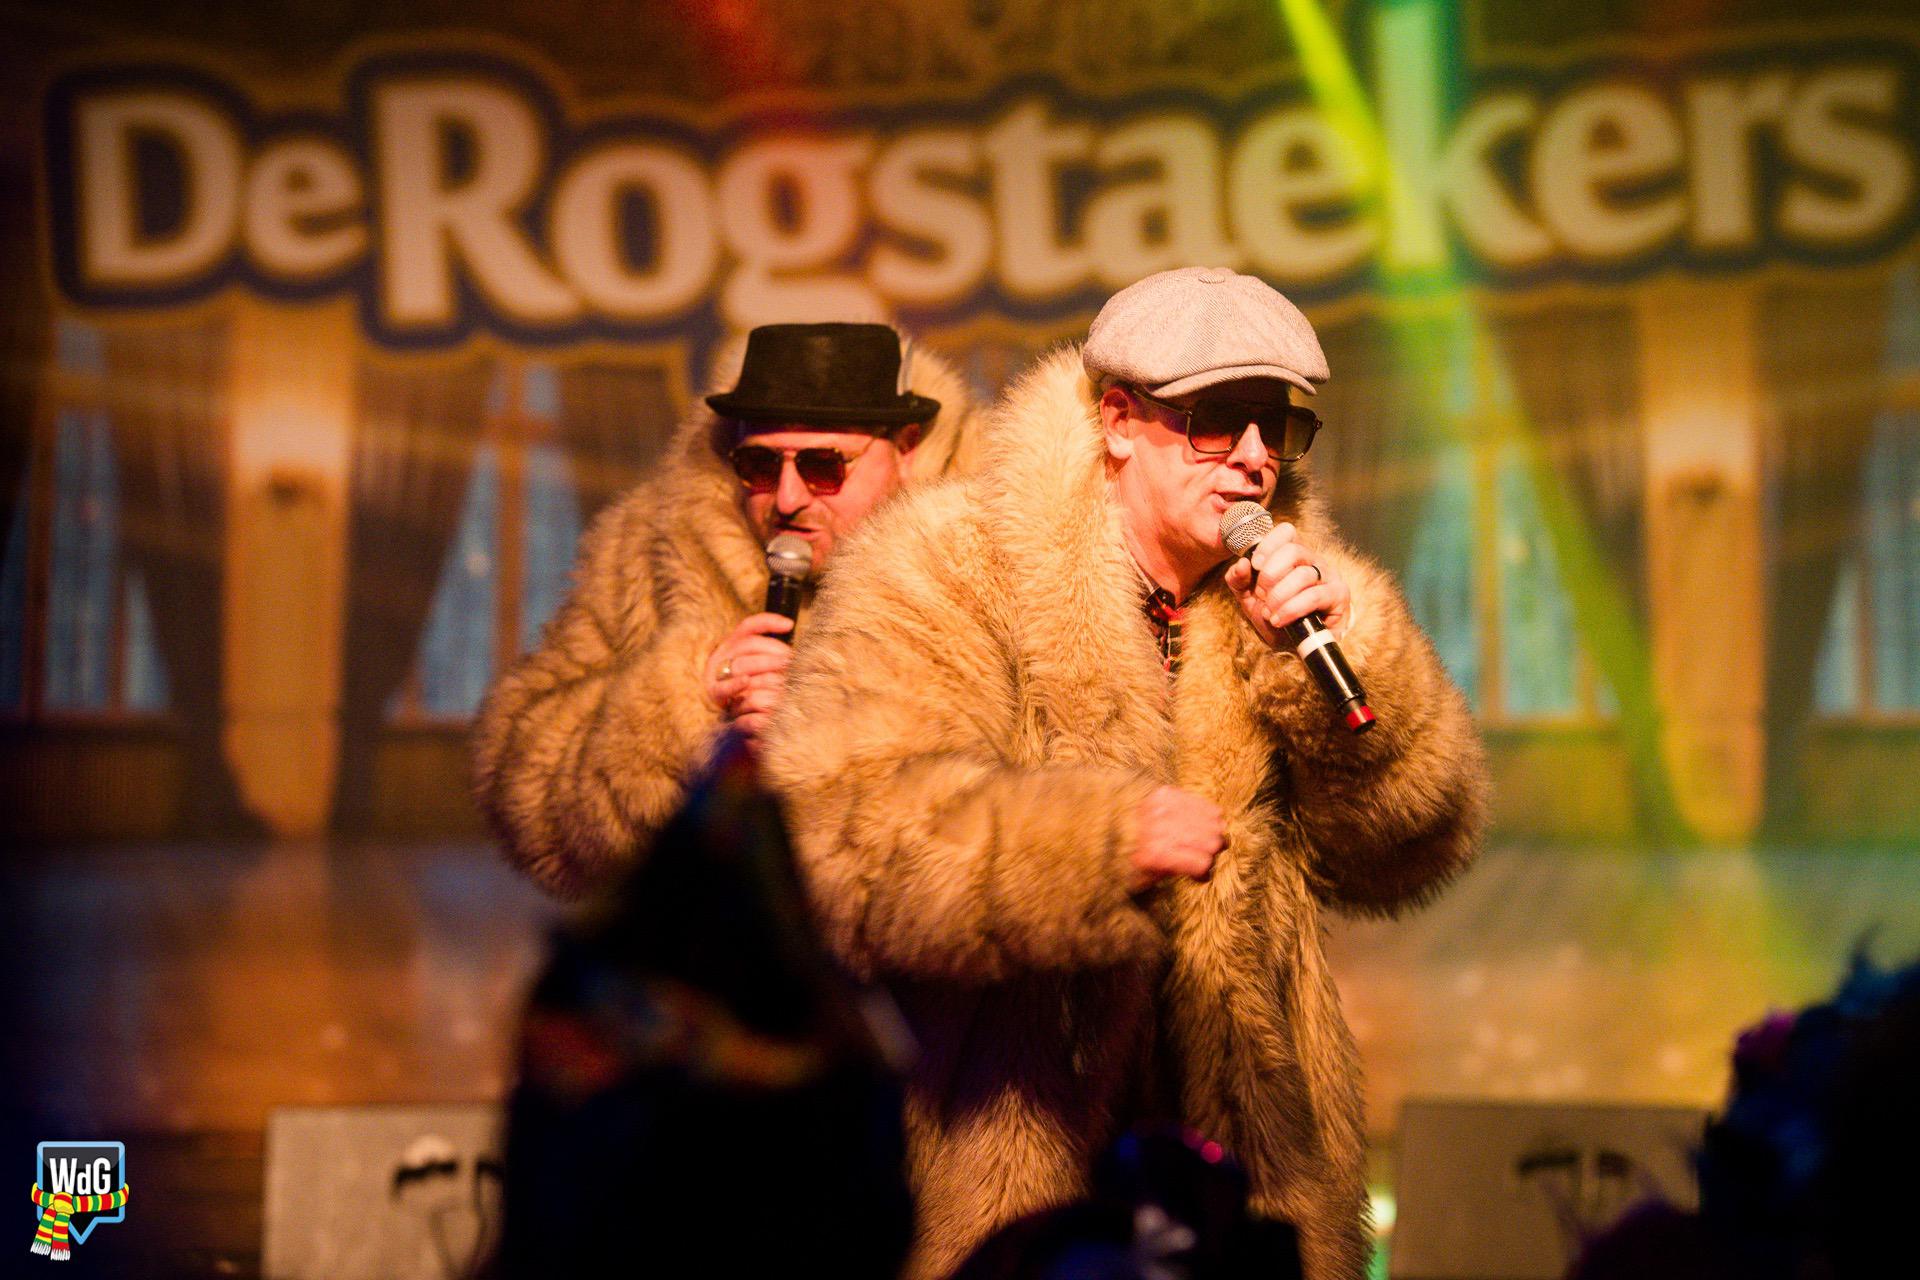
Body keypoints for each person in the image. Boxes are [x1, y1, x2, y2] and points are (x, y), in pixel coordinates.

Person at [761, 268, 1489, 1280]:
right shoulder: (946, 567)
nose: (1255, 457)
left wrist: (1343, 674)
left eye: (1278, 427)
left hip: (1244, 1175)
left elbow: (1416, 845)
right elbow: (841, 834)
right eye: (1215, 423)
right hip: (1005, 1164)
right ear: (1117, 421)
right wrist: (1094, 845)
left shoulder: (1302, 600)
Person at [473, 322, 980, 897]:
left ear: (906, 449)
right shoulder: (650, 550)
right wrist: (688, 700)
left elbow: (1017, 826)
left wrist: (828, 734)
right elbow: (527, 800)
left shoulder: (989, 561)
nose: (787, 499)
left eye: (823, 467)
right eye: (759, 466)